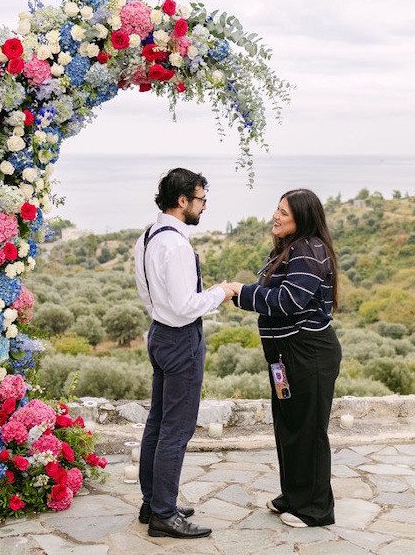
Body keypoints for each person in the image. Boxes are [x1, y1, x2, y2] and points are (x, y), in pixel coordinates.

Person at [229, 188, 341, 528]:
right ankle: (293, 496)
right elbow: (274, 293)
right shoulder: (290, 249)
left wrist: (241, 292)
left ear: (302, 220)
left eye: (285, 213)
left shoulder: (308, 251)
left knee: (308, 430)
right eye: (277, 209)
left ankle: (315, 509)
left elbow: (288, 301)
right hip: (286, 355)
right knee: (290, 426)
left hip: (308, 354)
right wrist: (238, 294)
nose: (276, 216)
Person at [134, 167, 234, 539]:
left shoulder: (147, 236)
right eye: (201, 199)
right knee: (176, 429)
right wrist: (221, 293)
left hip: (159, 334)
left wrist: (163, 316)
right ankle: (163, 513)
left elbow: (151, 296)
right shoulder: (175, 244)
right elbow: (184, 305)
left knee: (158, 423)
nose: (204, 207)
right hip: (178, 339)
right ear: (182, 201)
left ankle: (153, 501)